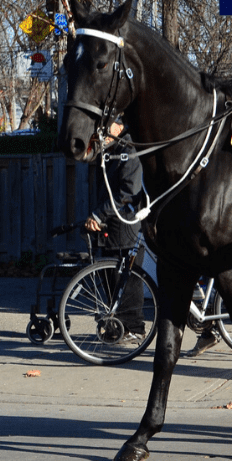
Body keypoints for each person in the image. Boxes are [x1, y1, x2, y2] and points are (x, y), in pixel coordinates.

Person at [84, 121, 146, 342]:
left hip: (125, 226)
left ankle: (134, 328)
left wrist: (100, 214)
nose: (103, 133)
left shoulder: (129, 151)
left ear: (119, 127)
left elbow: (127, 192)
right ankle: (118, 328)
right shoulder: (112, 152)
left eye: (107, 128)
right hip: (112, 227)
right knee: (112, 278)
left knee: (127, 280)